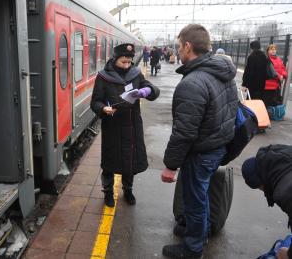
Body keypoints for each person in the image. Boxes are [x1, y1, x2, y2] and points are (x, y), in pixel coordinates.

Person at [160, 24, 238, 259]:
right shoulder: (223, 73)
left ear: (188, 46)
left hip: (201, 152)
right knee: (200, 193)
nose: (177, 51)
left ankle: (193, 248)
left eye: (179, 46)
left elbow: (184, 132)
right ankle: (196, 232)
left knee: (195, 200)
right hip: (217, 147)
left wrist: (170, 165)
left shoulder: (193, 83)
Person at [90, 43, 160, 207]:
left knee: (130, 161)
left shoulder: (136, 74)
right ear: (115, 60)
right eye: (123, 62)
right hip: (112, 126)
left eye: (129, 62)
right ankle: (108, 192)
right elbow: (95, 102)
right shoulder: (103, 77)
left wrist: (147, 91)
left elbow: (152, 89)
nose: (127, 65)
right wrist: (103, 108)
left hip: (133, 125)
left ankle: (128, 190)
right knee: (109, 162)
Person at [242, 144, 292, 259]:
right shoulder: (281, 157)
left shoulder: (284, 191)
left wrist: (288, 254)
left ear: (262, 182)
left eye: (261, 188)